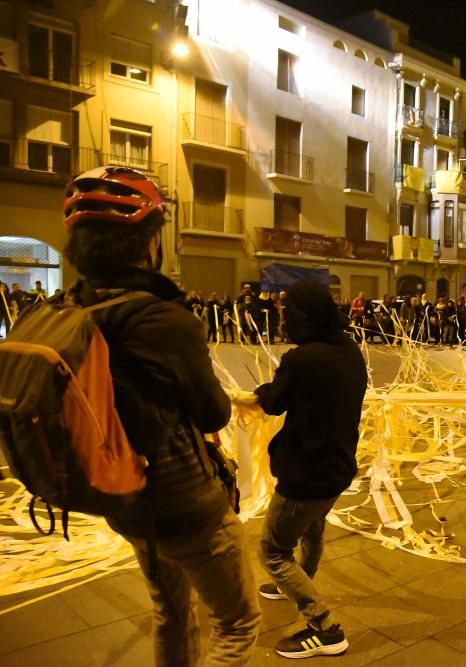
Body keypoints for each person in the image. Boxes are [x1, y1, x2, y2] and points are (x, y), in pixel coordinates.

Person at [61, 166, 260, 665]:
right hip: (186, 505)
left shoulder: (71, 308)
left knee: (171, 612)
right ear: (149, 245)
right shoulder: (163, 320)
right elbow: (212, 413)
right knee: (237, 626)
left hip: (124, 500)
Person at [254, 280, 367, 659]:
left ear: (304, 318)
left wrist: (259, 393)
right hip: (337, 467)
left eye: (288, 314)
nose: (284, 320)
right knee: (313, 526)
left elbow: (273, 402)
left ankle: (325, 627)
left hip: (306, 471)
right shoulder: (350, 352)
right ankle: (301, 581)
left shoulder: (301, 359)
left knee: (272, 551)